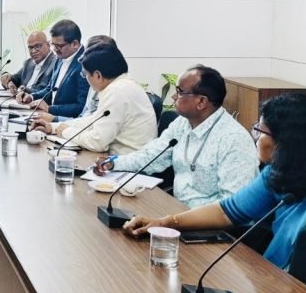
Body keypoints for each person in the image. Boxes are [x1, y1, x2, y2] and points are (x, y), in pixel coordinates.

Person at [123, 94, 306, 269]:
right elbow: (227, 211)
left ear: (287, 143)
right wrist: (165, 223)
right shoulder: (282, 173)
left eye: (260, 131)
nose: (256, 138)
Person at [93, 65, 258, 207]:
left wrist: (179, 220)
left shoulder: (234, 140)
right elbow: (151, 156)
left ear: (201, 102)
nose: (173, 97)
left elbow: (232, 205)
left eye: (179, 92)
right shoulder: (182, 124)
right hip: (177, 211)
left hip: (210, 226)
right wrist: (113, 163)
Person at [31, 43, 156, 155]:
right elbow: (93, 121)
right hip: (119, 159)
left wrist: (65, 131)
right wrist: (54, 127)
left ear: (98, 75)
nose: (86, 79)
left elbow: (97, 142)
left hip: (126, 165)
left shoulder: (116, 92)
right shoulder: (124, 84)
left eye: (85, 74)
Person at [29, 35, 115, 125]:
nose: (55, 49)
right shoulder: (94, 82)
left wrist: (55, 119)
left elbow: (89, 123)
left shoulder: (112, 91)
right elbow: (83, 117)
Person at [18, 20, 90, 118]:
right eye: (53, 44)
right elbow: (50, 89)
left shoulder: (85, 64)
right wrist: (31, 97)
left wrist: (50, 109)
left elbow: (82, 107)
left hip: (66, 121)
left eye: (59, 46)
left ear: (75, 44)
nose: (55, 49)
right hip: (49, 117)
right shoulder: (59, 58)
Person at [0, 31, 54, 96]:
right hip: (19, 100)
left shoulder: (56, 63)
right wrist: (9, 82)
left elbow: (48, 92)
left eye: (37, 46)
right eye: (30, 48)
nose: (33, 51)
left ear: (48, 45)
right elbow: (16, 78)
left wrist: (26, 91)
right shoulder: (28, 63)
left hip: (37, 101)